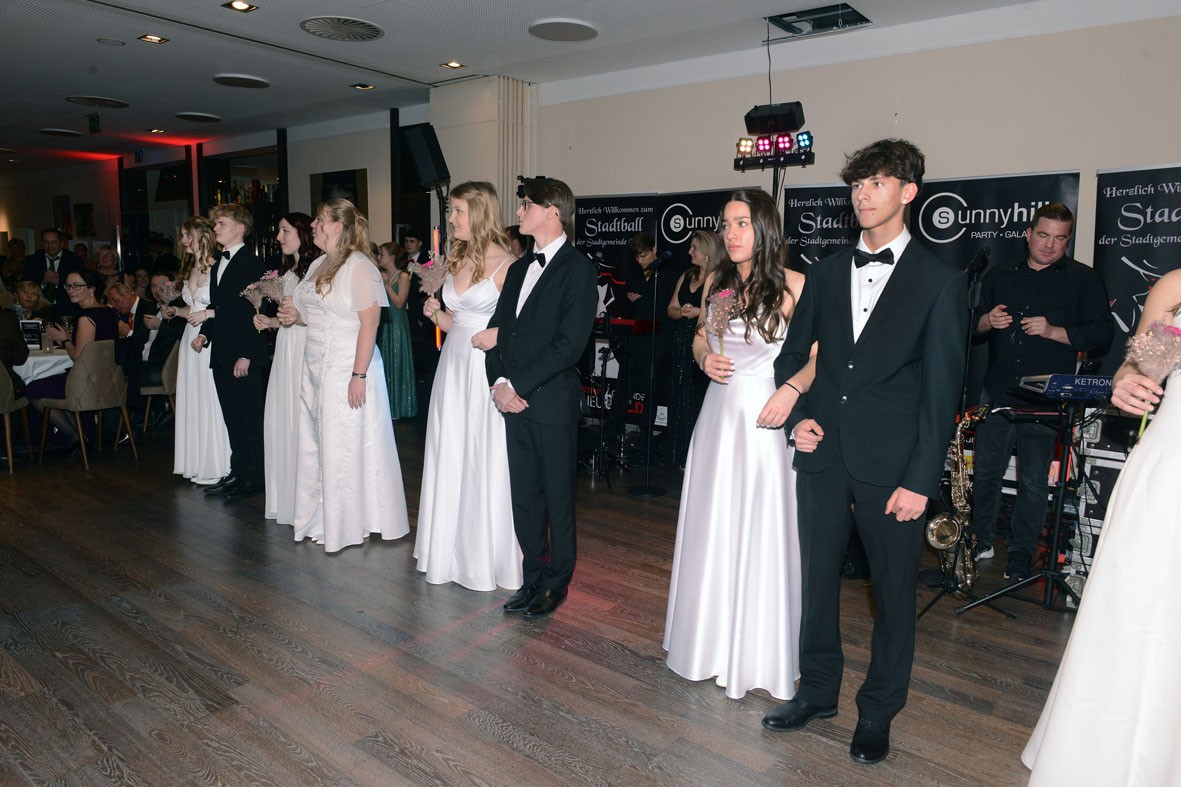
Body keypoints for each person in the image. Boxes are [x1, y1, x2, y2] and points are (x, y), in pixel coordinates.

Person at [764, 139, 967, 765]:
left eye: (877, 183)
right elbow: (793, 358)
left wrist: (921, 479)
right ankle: (817, 691)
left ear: (908, 192)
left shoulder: (941, 281)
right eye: (856, 184)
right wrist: (799, 419)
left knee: (894, 596)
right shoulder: (825, 272)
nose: (863, 194)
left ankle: (878, 710)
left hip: (895, 469)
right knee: (816, 583)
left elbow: (941, 393)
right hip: (823, 456)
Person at [1022, 268, 1181, 785]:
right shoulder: (1177, 288)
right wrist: (1128, 379)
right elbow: (1145, 364)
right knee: (1140, 610)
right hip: (1170, 474)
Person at [663, 191, 812, 700]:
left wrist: (790, 392)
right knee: (712, 524)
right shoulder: (719, 285)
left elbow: (820, 357)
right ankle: (704, 643)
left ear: (765, 228)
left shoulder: (795, 286)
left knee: (761, 528)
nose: (730, 233)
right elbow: (701, 339)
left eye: (742, 223)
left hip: (767, 419)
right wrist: (703, 358)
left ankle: (758, 654)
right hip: (718, 417)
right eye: (726, 224)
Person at [969, 203, 1115, 580]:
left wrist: (1054, 332)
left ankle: (1021, 553)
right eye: (1043, 235)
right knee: (985, 473)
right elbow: (970, 328)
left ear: (1068, 241)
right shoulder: (1000, 275)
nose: (1049, 245)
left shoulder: (1084, 279)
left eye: (1059, 238)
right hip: (997, 391)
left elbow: (1102, 335)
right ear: (1028, 234)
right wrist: (986, 321)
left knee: (1034, 481)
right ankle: (980, 540)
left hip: (1045, 399)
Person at [485, 177, 598, 619]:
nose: (519, 212)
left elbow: (568, 346)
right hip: (512, 400)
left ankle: (556, 582)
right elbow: (498, 333)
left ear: (553, 211)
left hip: (550, 402)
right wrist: (498, 384)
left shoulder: (578, 269)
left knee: (557, 499)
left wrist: (517, 385)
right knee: (525, 497)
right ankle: (531, 576)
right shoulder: (517, 269)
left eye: (527, 204)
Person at [278, 199, 409, 551]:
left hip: (347, 365)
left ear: (337, 226)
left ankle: (350, 521)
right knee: (316, 443)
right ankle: (319, 515)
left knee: (344, 443)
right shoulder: (318, 263)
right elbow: (315, 315)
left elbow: (370, 324)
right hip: (314, 366)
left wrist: (358, 376)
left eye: (319, 221)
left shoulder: (360, 266)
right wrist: (295, 316)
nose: (314, 226)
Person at [415, 182, 519, 591]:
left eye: (458, 211)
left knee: (480, 453)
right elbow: (455, 324)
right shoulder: (455, 258)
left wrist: (500, 343)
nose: (452, 218)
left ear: (480, 213)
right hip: (452, 367)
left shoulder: (508, 265)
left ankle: (482, 556)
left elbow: (521, 329)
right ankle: (445, 550)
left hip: (483, 370)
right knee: (450, 449)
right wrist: (436, 316)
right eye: (452, 211)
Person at [195, 204, 268, 503]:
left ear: (240, 227)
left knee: (249, 418)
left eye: (221, 224)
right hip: (222, 352)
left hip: (242, 355)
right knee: (233, 418)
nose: (215, 229)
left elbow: (256, 313)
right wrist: (205, 334)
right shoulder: (217, 266)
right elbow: (218, 309)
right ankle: (239, 472)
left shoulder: (253, 264)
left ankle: (256, 477)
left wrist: (247, 354)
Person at [254, 212, 315, 525]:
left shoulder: (316, 269)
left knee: (302, 414)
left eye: (285, 231)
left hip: (307, 346)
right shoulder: (288, 270)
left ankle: (306, 497)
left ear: (302, 233)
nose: (279, 237)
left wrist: (291, 319)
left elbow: (316, 315)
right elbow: (289, 318)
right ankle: (287, 495)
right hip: (287, 346)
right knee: (283, 414)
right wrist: (272, 321)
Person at [26, 269, 120, 442]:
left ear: (91, 289)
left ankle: (75, 436)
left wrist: (63, 340)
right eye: (68, 286)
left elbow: (78, 357)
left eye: (77, 286)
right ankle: (82, 434)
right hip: (108, 380)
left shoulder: (86, 318)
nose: (71, 290)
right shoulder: (108, 312)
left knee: (32, 389)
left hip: (87, 384)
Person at [173, 216, 232, 486]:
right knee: (193, 395)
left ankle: (218, 462)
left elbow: (224, 308)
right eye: (182, 236)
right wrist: (175, 311)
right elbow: (192, 309)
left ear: (202, 236)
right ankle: (196, 461)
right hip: (190, 337)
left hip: (211, 337)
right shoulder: (191, 268)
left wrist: (205, 318)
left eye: (188, 235)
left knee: (211, 396)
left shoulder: (218, 266)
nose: (184, 241)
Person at [665, 229, 722, 467]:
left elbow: (721, 316)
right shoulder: (686, 275)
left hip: (703, 343)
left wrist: (699, 312)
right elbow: (670, 308)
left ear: (707, 252)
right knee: (678, 395)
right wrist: (680, 312)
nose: (689, 252)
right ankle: (676, 452)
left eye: (694, 248)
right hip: (680, 342)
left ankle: (696, 456)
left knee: (696, 398)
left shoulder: (719, 278)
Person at [375, 241, 417, 420]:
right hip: (385, 324)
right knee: (385, 364)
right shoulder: (381, 275)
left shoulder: (403, 276)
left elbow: (400, 303)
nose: (379, 257)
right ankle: (387, 408)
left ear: (392, 257)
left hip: (398, 324)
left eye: (382, 254)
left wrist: (386, 286)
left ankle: (400, 407)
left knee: (398, 363)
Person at [24, 228, 84, 311]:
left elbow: (80, 286)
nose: (49, 246)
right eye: (46, 242)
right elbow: (26, 285)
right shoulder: (33, 260)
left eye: (54, 242)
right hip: (39, 308)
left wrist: (59, 281)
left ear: (61, 243)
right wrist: (43, 282)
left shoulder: (74, 261)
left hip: (67, 308)